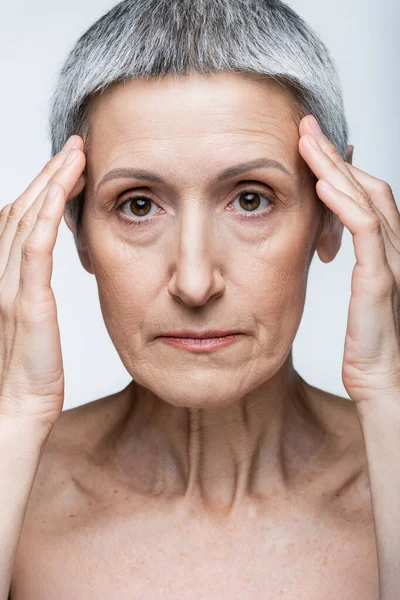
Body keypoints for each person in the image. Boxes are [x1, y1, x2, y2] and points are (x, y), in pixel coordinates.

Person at [4, 0, 400, 597]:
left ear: (334, 214)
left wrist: (390, 395)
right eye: (138, 204)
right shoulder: (17, 489)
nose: (194, 282)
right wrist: (14, 416)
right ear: (75, 227)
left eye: (250, 199)